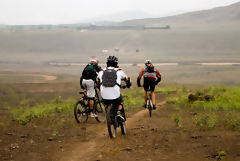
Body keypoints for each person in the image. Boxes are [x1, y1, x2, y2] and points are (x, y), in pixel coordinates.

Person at [98, 56, 131, 121]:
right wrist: (128, 85)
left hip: (104, 95)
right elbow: (127, 79)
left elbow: (98, 81)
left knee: (105, 102)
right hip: (115, 96)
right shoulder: (119, 71)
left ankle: (108, 113)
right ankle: (119, 112)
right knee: (120, 101)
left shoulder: (101, 72)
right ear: (116, 64)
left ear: (107, 63)